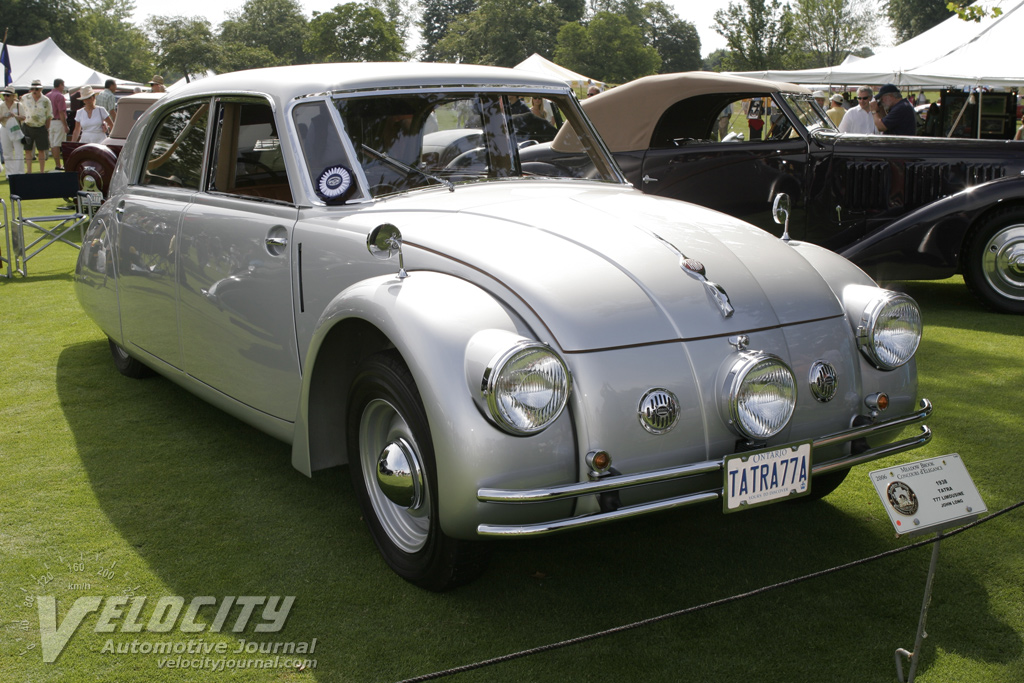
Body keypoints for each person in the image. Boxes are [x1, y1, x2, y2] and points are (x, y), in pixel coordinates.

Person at [20, 79, 53, 173]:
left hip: (40, 127)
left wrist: (47, 128)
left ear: (41, 89)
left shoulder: (46, 100)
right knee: (27, 150)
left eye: (37, 89)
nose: (34, 91)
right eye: (33, 88)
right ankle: (29, 171)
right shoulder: (25, 98)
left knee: (42, 150)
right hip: (27, 126)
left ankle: (42, 171)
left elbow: (49, 115)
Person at [1, 86, 27, 175]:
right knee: (7, 151)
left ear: (13, 96)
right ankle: (9, 173)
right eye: (4, 95)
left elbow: (23, 117)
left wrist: (14, 115)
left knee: (19, 151)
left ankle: (19, 172)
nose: (6, 97)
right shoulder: (1, 105)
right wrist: (4, 116)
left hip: (16, 128)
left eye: (8, 95)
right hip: (5, 128)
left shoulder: (18, 105)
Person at [46, 78, 68, 170]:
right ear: (60, 85)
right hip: (58, 121)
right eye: (63, 85)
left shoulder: (47, 95)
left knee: (53, 143)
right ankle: (59, 164)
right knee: (57, 144)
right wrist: (65, 125)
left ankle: (57, 164)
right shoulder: (60, 96)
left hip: (50, 121)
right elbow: (61, 112)